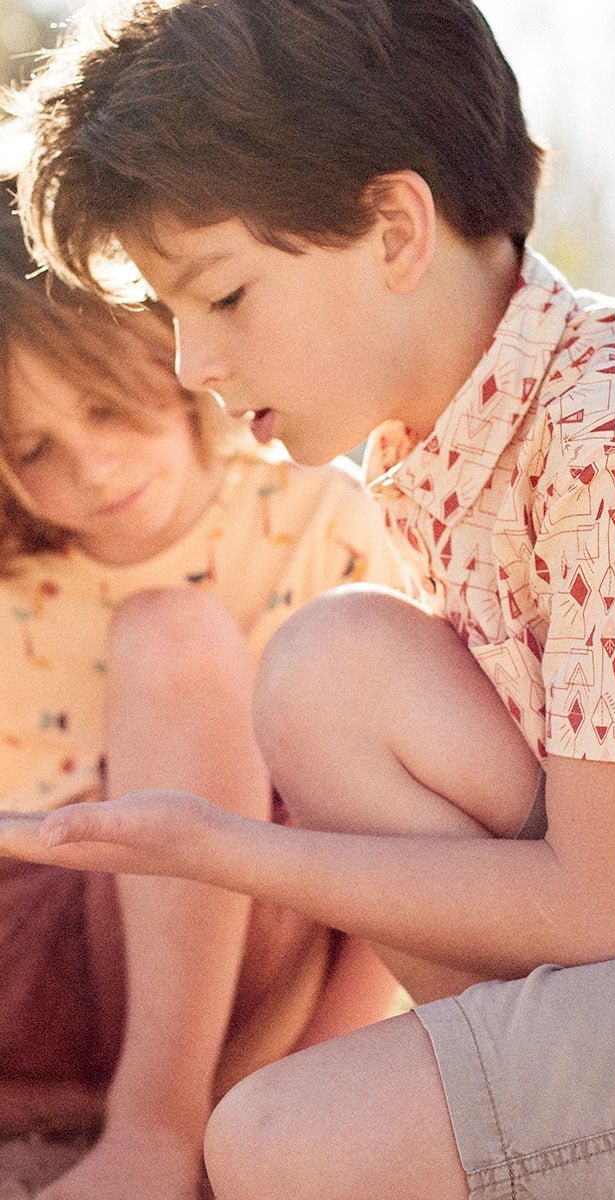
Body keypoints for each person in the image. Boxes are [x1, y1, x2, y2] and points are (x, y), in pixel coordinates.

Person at [4, 0, 615, 1197]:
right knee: (332, 668)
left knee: (285, 1141)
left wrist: (224, 850)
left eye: (220, 299)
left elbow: (596, 903)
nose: (191, 367)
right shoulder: (454, 442)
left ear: (391, 227)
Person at [0, 194, 406, 1200]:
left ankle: (163, 1127)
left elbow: (416, 839)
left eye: (101, 405)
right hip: (35, 950)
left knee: (181, 638)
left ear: (170, 345)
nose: (87, 467)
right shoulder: (16, 578)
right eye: (30, 448)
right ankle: (142, 1124)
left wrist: (323, 1079)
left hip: (258, 951)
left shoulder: (321, 517)